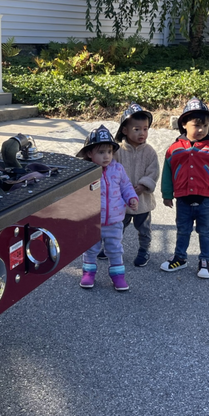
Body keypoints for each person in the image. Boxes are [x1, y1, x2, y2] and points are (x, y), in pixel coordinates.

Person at [160, 98, 209, 279]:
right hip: (183, 199)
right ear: (184, 124)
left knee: (205, 231)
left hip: (206, 200)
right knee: (183, 230)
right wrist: (167, 194)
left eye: (205, 126)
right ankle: (180, 258)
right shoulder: (174, 149)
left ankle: (205, 260)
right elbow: (167, 173)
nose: (201, 130)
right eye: (196, 125)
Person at [76, 125, 138, 291]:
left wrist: (131, 197)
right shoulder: (86, 172)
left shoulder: (117, 169)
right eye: (101, 152)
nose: (106, 156)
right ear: (90, 154)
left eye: (109, 152)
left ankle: (118, 276)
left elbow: (126, 186)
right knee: (90, 249)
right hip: (92, 221)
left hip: (115, 221)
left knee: (115, 249)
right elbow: (78, 195)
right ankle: (88, 273)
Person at [113, 103, 160, 267]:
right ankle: (112, 248)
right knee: (117, 227)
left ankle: (144, 251)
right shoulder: (117, 151)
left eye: (145, 129)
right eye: (137, 129)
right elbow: (112, 172)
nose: (142, 133)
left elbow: (153, 172)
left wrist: (142, 186)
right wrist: (120, 190)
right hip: (121, 201)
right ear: (125, 130)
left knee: (144, 229)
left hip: (143, 200)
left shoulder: (149, 152)